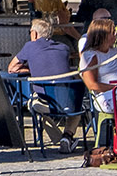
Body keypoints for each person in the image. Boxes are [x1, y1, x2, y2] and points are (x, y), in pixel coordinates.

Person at [9, 18, 81, 149]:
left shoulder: (29, 46)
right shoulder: (64, 48)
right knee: (78, 107)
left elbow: (12, 68)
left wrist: (30, 69)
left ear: (35, 34)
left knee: (33, 104)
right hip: (67, 103)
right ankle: (67, 136)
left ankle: (59, 138)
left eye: (29, 31)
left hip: (45, 103)